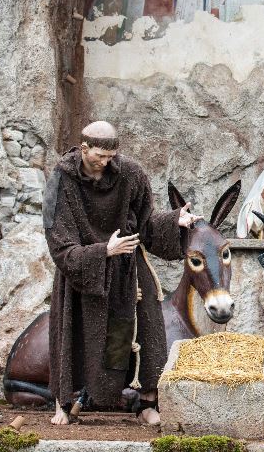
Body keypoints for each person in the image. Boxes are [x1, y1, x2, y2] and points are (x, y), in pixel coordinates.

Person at [44, 121, 201, 426]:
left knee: (147, 328)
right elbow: (59, 241)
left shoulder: (130, 173)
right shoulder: (62, 179)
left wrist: (174, 222)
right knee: (75, 331)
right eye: (99, 156)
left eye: (111, 156)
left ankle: (146, 403)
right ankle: (64, 404)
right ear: (84, 148)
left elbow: (146, 224)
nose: (106, 162)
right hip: (82, 270)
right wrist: (102, 251)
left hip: (128, 263)